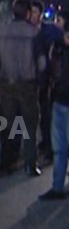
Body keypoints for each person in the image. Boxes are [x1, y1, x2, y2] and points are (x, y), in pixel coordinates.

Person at [0, 0, 40, 175]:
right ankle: (30, 163)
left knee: (7, 125)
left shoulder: (1, 31)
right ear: (28, 13)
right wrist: (40, 82)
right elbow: (41, 62)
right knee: (29, 125)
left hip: (7, 83)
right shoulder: (34, 33)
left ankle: (6, 161)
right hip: (27, 85)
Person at [40, 20, 69, 200]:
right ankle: (57, 187)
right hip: (58, 103)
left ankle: (58, 187)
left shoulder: (58, 50)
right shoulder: (57, 50)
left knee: (61, 148)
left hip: (62, 103)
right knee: (60, 149)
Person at [31, 0, 64, 161]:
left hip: (47, 80)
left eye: (36, 12)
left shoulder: (50, 31)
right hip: (30, 79)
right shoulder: (25, 31)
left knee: (46, 115)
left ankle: (48, 145)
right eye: (31, 12)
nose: (33, 15)